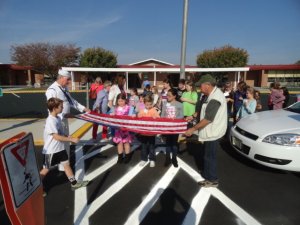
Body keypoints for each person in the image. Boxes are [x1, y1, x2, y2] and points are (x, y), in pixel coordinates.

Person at [185, 74, 227, 188]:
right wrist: (193, 116)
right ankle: (209, 174)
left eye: (201, 86)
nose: (199, 88)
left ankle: (212, 179)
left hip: (212, 132)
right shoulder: (208, 95)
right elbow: (203, 109)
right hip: (210, 131)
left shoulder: (215, 98)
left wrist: (192, 129)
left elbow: (208, 118)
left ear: (208, 85)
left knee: (209, 156)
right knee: (208, 155)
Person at [40, 98, 89, 194]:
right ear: (54, 108)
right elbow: (56, 137)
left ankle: (74, 183)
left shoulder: (57, 118)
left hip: (60, 148)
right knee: (46, 169)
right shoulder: (51, 121)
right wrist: (71, 139)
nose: (63, 108)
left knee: (66, 165)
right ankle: (36, 190)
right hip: (51, 151)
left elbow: (60, 133)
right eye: (61, 107)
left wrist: (68, 136)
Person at [45, 69, 90, 171]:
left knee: (65, 144)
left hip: (64, 120)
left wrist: (83, 108)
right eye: (68, 79)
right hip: (57, 122)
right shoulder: (52, 90)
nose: (69, 82)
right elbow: (51, 107)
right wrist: (62, 116)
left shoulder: (64, 89)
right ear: (61, 78)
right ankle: (55, 165)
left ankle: (64, 165)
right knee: (58, 143)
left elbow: (71, 101)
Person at [161, 88, 183, 168]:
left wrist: (175, 118)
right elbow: (162, 115)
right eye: (167, 95)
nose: (167, 97)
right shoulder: (165, 104)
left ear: (174, 96)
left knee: (174, 144)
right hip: (167, 127)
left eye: (169, 95)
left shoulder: (179, 104)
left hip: (175, 127)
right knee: (167, 144)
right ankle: (167, 159)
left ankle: (174, 158)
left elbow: (181, 116)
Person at [111, 93, 135, 164]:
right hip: (118, 129)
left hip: (126, 129)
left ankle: (127, 156)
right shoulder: (116, 108)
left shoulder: (129, 107)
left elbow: (132, 114)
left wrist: (133, 115)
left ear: (125, 100)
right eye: (119, 101)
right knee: (119, 143)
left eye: (122, 101)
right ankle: (120, 157)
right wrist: (112, 114)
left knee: (126, 143)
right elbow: (112, 114)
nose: (120, 102)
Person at [137, 95, 160, 167]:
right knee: (143, 146)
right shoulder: (142, 110)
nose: (149, 106)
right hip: (143, 132)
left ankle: (152, 159)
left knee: (152, 147)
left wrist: (155, 117)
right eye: (147, 104)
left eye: (150, 104)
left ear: (152, 103)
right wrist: (139, 115)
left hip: (152, 133)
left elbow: (159, 118)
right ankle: (143, 159)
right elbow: (138, 116)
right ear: (144, 103)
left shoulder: (154, 110)